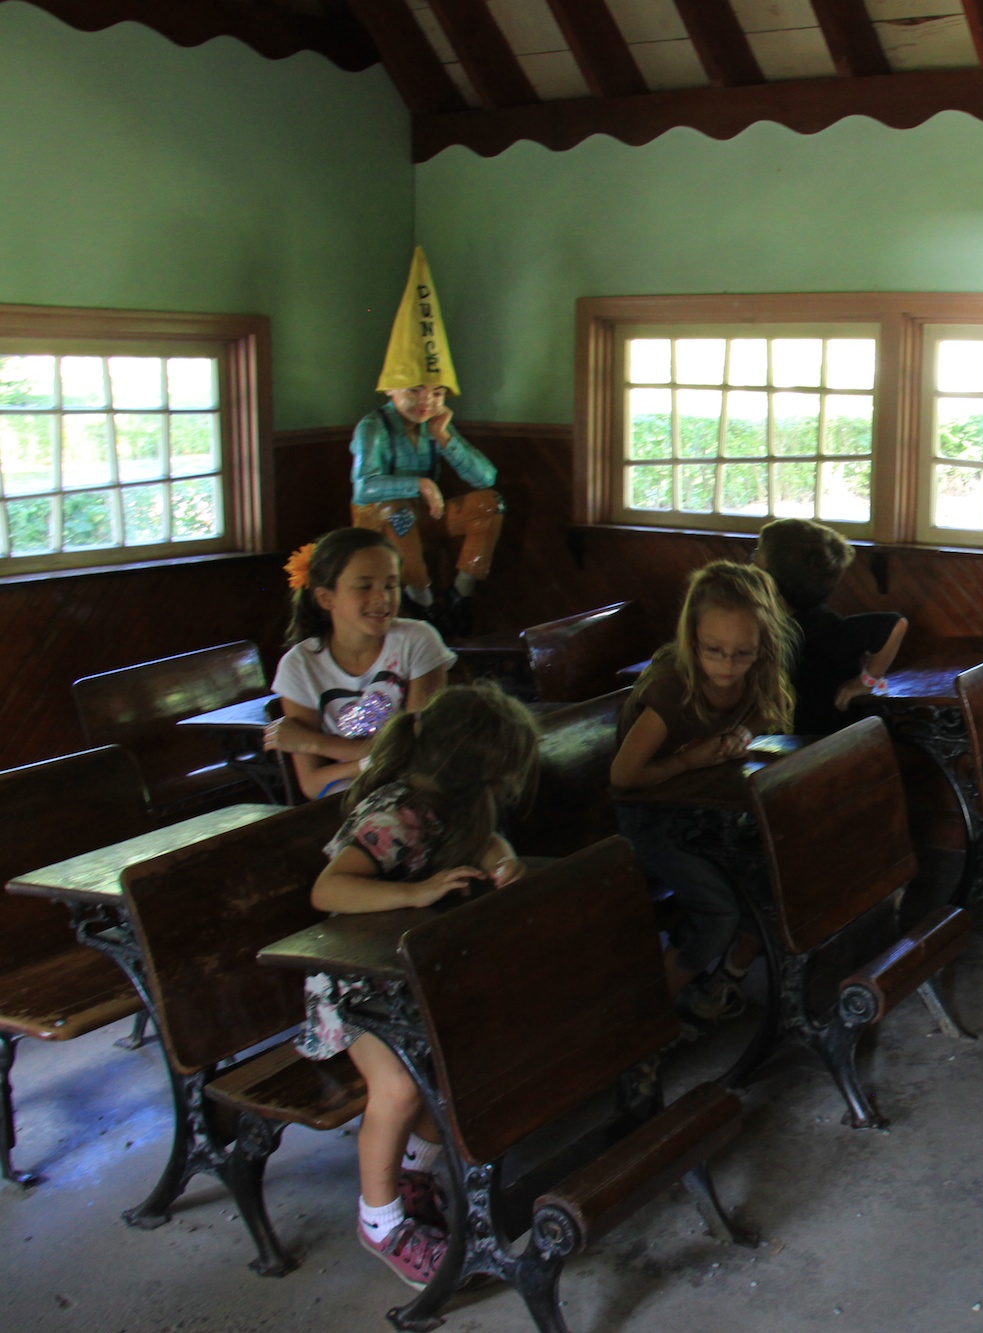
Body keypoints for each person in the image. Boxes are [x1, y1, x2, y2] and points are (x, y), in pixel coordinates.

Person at [295, 683, 540, 1288]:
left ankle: (413, 1172)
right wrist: (415, 892)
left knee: (458, 1066)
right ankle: (380, 1223)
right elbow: (328, 889)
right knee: (401, 1086)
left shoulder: (456, 804)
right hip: (355, 987)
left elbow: (486, 840)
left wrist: (503, 860)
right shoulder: (394, 814)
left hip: (410, 975)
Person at [610, 561, 796, 1021]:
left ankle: (717, 988)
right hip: (647, 818)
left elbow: (767, 709)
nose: (728, 666)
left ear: (763, 646)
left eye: (742, 654)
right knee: (718, 913)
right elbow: (624, 776)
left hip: (701, 809)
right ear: (691, 638)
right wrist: (690, 761)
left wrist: (741, 735)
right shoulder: (671, 690)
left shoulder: (754, 672)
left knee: (768, 882)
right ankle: (647, 1023)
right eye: (714, 651)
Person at [267, 527, 457, 800]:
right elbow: (312, 784)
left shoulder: (416, 640)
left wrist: (313, 743)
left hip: (415, 792)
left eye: (391, 585)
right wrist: (377, 762)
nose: (383, 598)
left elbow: (418, 752)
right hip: (345, 799)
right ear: (326, 598)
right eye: (364, 586)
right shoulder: (299, 666)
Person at [349, 383, 502, 632]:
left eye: (437, 393)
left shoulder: (433, 423)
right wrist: (420, 484)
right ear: (390, 389)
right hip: (380, 518)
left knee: (490, 504)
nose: (426, 400)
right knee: (398, 512)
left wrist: (443, 436)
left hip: (425, 512)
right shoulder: (373, 427)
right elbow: (364, 488)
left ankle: (461, 592)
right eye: (414, 390)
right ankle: (421, 598)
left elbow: (486, 478)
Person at [753, 517, 907, 736]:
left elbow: (895, 624)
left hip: (832, 738)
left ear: (772, 577)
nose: (751, 563)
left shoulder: (823, 628)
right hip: (799, 735)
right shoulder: (774, 619)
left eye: (757, 556)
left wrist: (866, 681)